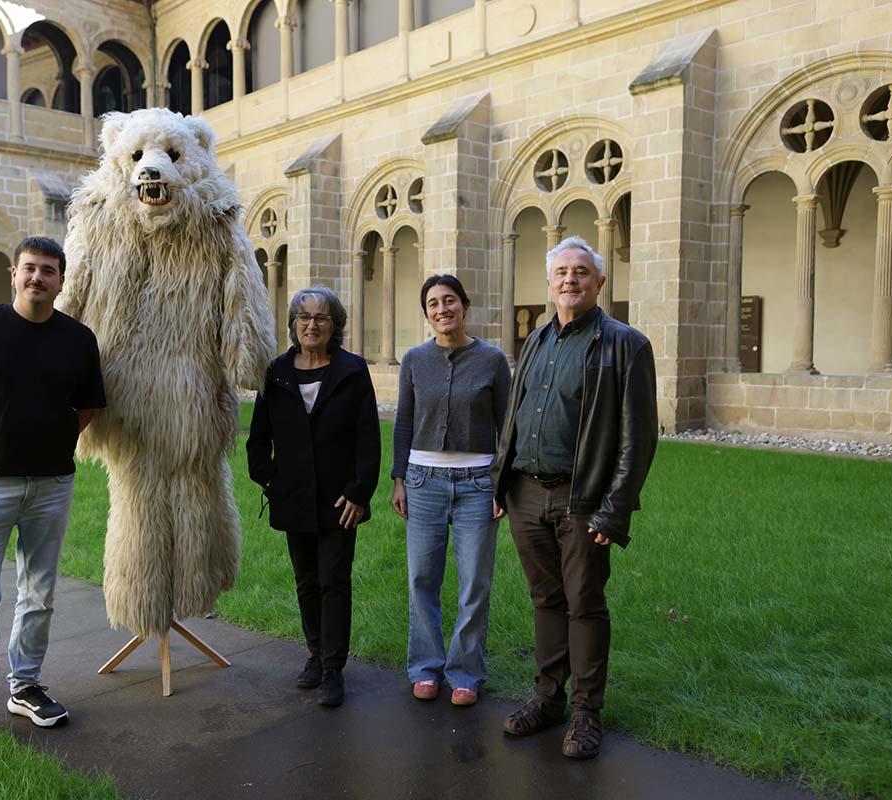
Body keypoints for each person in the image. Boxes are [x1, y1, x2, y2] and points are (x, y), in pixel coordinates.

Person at [0, 236, 106, 748]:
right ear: (13, 274)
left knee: (39, 594)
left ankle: (25, 686)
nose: (38, 277)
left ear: (61, 280)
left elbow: (87, 408)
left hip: (51, 486)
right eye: (30, 268)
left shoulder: (78, 339)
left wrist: (50, 447)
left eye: (48, 270)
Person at [490, 235, 657, 759]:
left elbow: (638, 438)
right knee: (546, 599)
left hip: (582, 500)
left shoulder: (625, 345)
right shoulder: (536, 340)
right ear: (549, 282)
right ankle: (547, 698)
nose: (570, 279)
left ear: (599, 282)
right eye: (562, 272)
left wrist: (615, 509)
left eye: (581, 271)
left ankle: (586, 712)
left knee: (584, 603)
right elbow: (515, 418)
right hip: (525, 494)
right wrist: (501, 484)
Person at [246, 286, 380, 708]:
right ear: (293, 324)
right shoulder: (276, 372)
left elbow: (369, 438)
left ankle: (334, 668)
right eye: (303, 317)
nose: (311, 324)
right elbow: (258, 440)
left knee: (333, 580)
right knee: (306, 580)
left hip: (341, 502)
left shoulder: (352, 371)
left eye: (322, 317)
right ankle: (316, 656)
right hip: (295, 497)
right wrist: (271, 482)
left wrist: (359, 492)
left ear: (335, 324)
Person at [390, 274, 511, 706]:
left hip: (478, 483)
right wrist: (399, 479)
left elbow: (507, 428)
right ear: (427, 314)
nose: (442, 309)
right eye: (433, 304)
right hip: (423, 482)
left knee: (475, 582)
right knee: (422, 579)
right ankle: (426, 668)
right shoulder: (414, 360)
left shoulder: (493, 360)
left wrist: (502, 485)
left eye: (449, 300)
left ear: (464, 305)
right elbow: (403, 422)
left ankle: (465, 672)